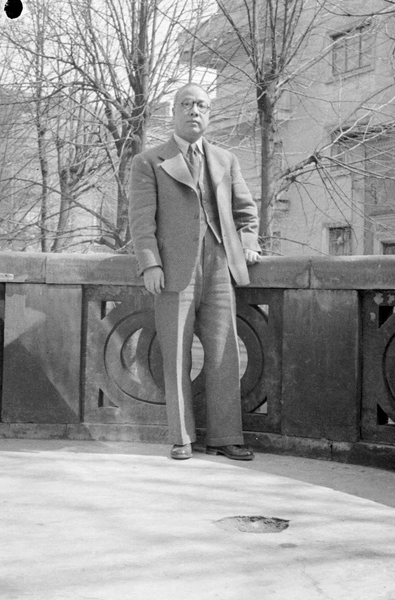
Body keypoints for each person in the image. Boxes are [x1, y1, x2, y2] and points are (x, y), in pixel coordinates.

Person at [129, 83, 261, 461]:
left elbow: (246, 212)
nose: (194, 111)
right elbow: (141, 221)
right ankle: (182, 437)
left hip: (220, 268)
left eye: (202, 105)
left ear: (210, 114)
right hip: (173, 271)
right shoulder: (149, 161)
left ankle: (225, 437)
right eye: (186, 105)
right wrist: (150, 263)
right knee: (176, 356)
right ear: (173, 113)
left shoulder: (225, 159)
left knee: (224, 354)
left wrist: (248, 242)